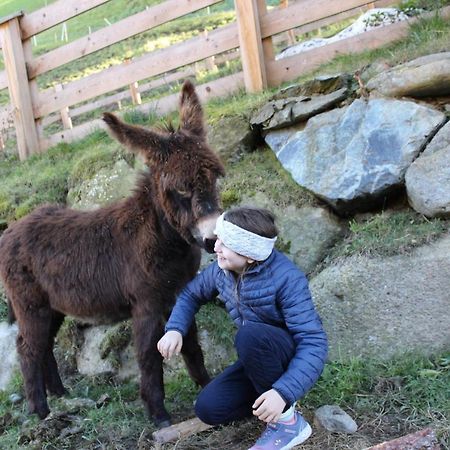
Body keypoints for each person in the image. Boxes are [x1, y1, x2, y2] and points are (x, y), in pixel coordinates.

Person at [158, 206, 328, 450]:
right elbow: (191, 295)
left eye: (225, 244)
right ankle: (268, 402)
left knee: (250, 335)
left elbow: (314, 342)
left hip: (284, 356)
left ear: (250, 255)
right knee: (208, 408)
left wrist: (283, 392)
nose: (215, 247)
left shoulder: (288, 279)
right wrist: (175, 328)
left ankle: (288, 424)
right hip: (257, 357)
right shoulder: (222, 270)